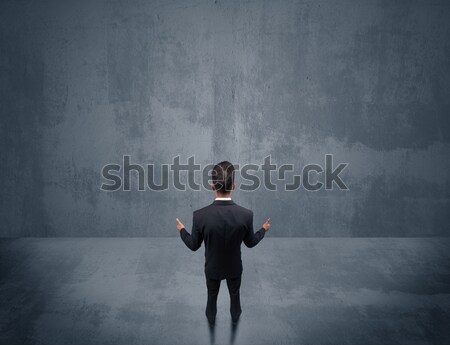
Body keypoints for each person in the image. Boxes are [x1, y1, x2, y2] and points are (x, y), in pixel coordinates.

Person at [176, 161, 271, 325]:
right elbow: (250, 242)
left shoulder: (200, 216)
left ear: (213, 187)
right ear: (233, 185)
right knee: (235, 297)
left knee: (211, 298)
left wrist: (181, 230)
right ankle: (235, 319)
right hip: (234, 268)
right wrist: (263, 229)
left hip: (212, 268)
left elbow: (193, 245)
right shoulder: (246, 215)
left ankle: (211, 321)